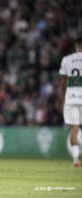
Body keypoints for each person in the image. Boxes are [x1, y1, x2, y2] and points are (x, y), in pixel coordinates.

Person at [60, 33, 82, 167]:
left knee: (74, 129)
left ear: (75, 46)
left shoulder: (66, 60)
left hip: (71, 98)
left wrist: (62, 97)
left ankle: (75, 159)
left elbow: (63, 82)